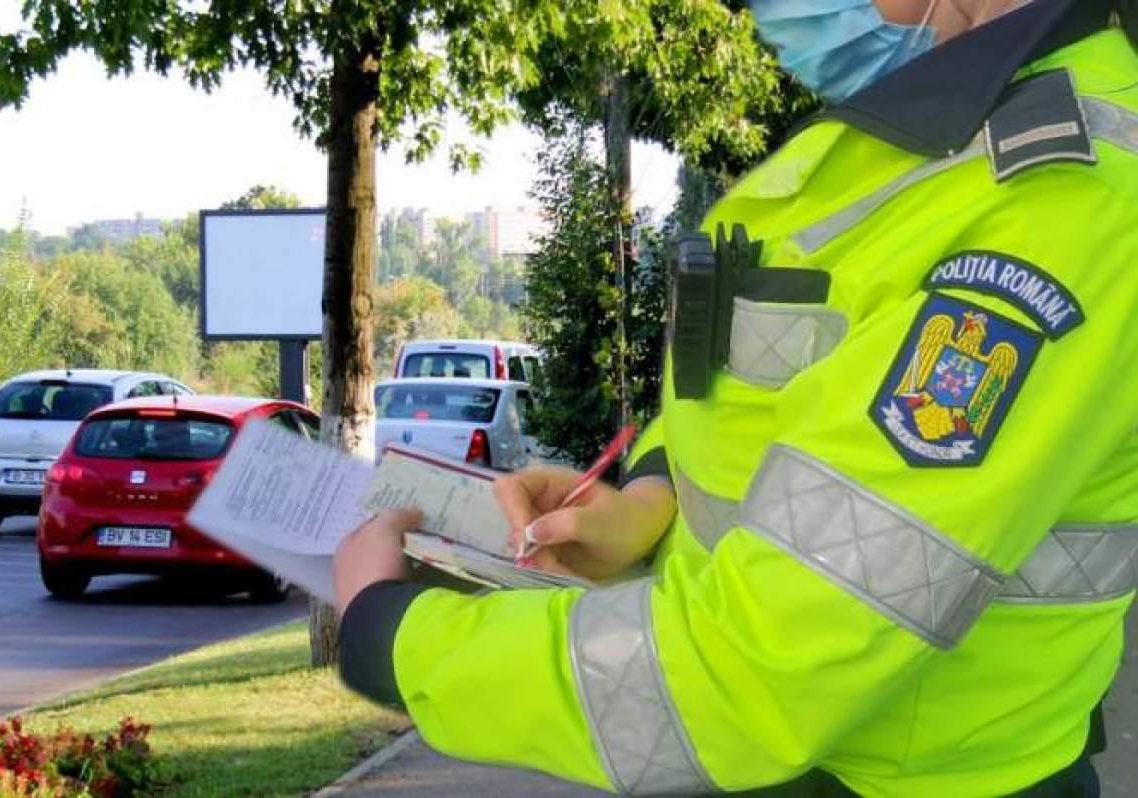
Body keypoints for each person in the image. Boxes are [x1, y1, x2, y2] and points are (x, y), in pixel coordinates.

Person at [333, 0, 1138, 794]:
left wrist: (394, 637)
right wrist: (652, 498)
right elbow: (766, 387)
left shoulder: (1062, 197)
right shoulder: (940, 139)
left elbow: (768, 662)